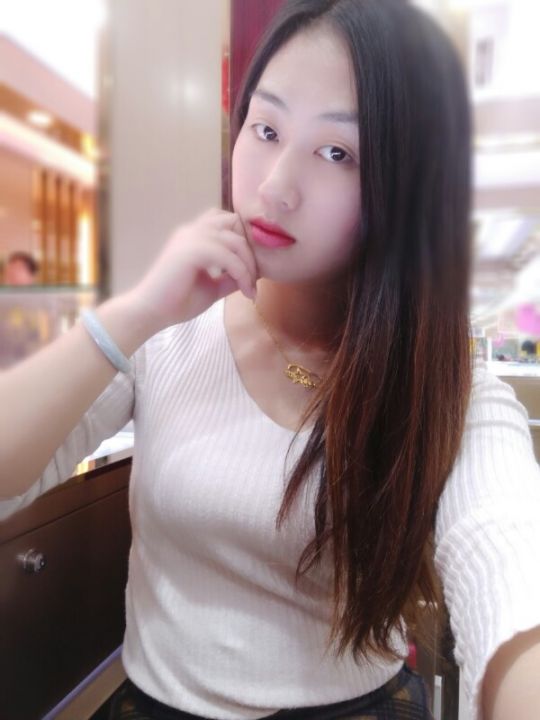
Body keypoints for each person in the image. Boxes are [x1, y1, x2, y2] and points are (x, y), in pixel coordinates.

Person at [0, 1, 539, 719]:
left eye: (338, 153)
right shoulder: (169, 333)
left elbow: (507, 567)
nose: (276, 186)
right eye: (267, 129)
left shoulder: (438, 381)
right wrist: (132, 315)